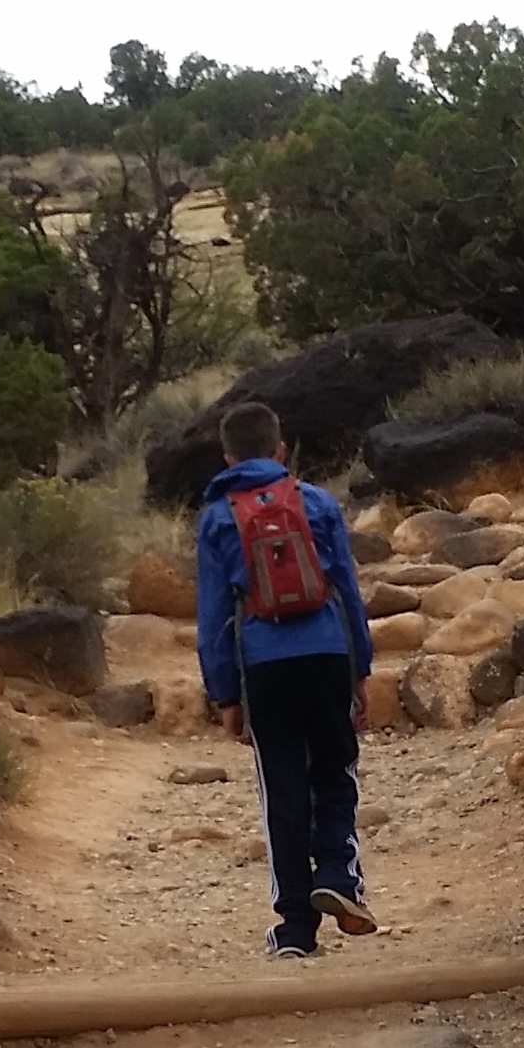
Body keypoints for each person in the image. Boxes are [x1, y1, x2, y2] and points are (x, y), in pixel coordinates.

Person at [190, 400, 378, 956]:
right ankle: (339, 875)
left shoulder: (218, 516)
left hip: (264, 665)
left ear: (227, 457)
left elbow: (212, 616)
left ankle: (296, 929)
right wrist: (359, 669)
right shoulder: (316, 502)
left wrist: (225, 693)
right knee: (335, 768)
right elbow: (347, 589)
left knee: (284, 790)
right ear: (281, 449)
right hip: (325, 656)